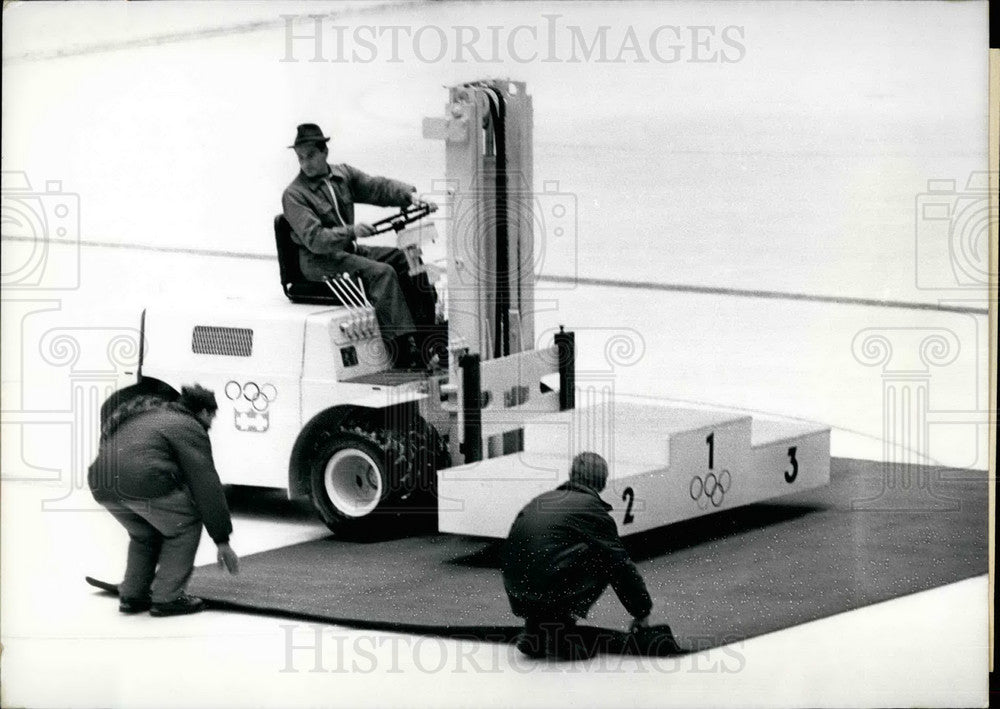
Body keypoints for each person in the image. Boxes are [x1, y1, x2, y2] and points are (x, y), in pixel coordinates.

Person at [281, 123, 440, 369]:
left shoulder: (342, 176)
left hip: (346, 252)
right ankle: (402, 347)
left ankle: (427, 333)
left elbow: (376, 187)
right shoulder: (294, 195)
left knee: (403, 259)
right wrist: (352, 232)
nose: (305, 163)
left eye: (310, 156)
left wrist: (409, 196)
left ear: (325, 152)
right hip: (319, 261)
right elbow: (315, 239)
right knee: (382, 274)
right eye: (300, 158)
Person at [88, 384, 239, 616]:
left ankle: (132, 596)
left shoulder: (148, 415)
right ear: (205, 412)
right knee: (184, 525)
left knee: (144, 534)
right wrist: (222, 540)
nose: (211, 423)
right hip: (140, 481)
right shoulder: (189, 426)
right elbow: (205, 482)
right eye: (212, 417)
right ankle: (168, 598)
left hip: (101, 482)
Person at [501, 452, 653, 659]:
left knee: (549, 559)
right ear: (602, 482)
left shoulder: (543, 499)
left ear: (572, 475)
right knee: (605, 560)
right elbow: (621, 567)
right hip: (546, 588)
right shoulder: (592, 510)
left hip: (516, 587)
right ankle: (560, 635)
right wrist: (641, 611)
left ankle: (534, 632)